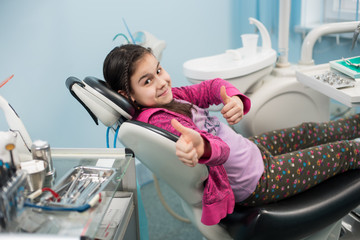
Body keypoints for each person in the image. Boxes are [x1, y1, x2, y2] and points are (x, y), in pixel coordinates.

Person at [103, 44, 360, 226]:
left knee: (310, 131)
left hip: (252, 150)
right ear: (128, 96)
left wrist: (232, 97)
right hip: (257, 180)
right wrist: (201, 145)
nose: (161, 82)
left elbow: (211, 87)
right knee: (344, 152)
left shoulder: (170, 98)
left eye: (159, 70)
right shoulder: (161, 120)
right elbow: (219, 150)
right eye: (147, 81)